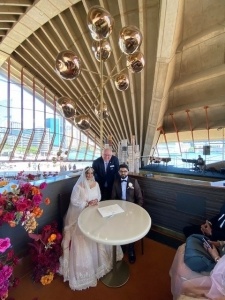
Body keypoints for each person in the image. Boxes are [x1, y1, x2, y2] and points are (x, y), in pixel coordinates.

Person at [58, 166, 123, 291]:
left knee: (103, 227)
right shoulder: (79, 187)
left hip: (93, 211)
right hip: (81, 214)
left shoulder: (96, 184)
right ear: (84, 174)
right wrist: (86, 204)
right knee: (83, 235)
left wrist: (94, 201)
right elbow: (74, 201)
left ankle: (105, 260)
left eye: (91, 173)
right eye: (87, 173)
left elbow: (98, 196)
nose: (89, 175)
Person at [111, 163, 144, 264]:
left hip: (132, 211)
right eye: (121, 171)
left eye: (125, 171)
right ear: (118, 172)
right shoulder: (116, 182)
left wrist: (136, 211)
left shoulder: (134, 182)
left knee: (130, 228)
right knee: (117, 226)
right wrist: (117, 210)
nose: (123, 173)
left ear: (128, 172)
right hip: (119, 210)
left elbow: (140, 199)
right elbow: (113, 199)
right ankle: (122, 245)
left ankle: (131, 250)